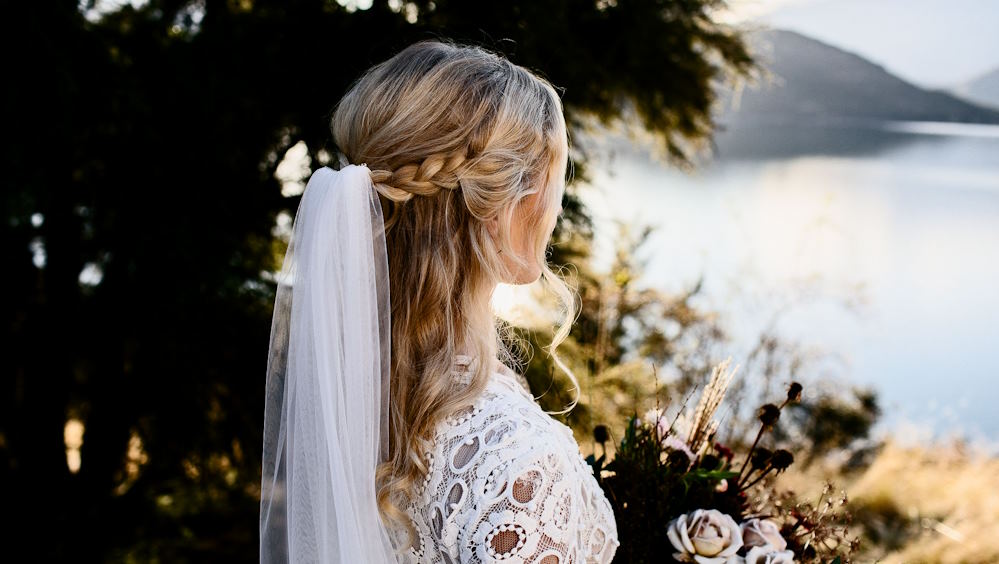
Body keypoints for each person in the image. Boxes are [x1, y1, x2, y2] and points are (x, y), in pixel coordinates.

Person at [260, 38, 618, 563]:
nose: (555, 206)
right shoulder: (519, 464)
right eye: (549, 179)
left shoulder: (356, 378)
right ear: (498, 209)